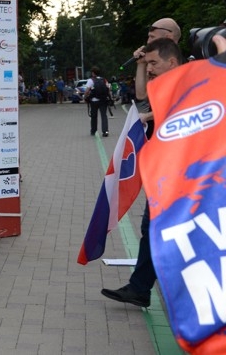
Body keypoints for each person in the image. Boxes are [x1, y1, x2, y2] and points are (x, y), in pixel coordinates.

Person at [101, 20, 183, 308]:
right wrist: (140, 64)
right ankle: (141, 288)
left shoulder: (185, 70)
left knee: (160, 227)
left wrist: (149, 117)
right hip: (164, 162)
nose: (147, 38)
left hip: (180, 167)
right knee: (154, 227)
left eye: (152, 35)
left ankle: (152, 288)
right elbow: (142, 96)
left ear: (169, 37)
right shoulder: (160, 67)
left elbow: (178, 109)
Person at [84, 67, 111, 136]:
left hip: (94, 101)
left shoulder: (91, 80)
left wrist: (85, 97)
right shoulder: (104, 80)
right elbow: (108, 89)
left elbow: (87, 91)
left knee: (94, 116)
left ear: (93, 73)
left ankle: (93, 131)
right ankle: (105, 131)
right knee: (104, 116)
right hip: (103, 100)